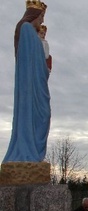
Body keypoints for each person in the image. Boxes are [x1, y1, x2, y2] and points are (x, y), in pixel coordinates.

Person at [3, 0, 50, 163]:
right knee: (42, 114)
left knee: (44, 115)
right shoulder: (26, 30)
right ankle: (27, 152)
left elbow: (40, 61)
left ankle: (35, 155)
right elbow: (30, 60)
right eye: (41, 16)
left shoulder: (31, 32)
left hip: (38, 83)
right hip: (30, 86)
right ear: (34, 15)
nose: (42, 20)